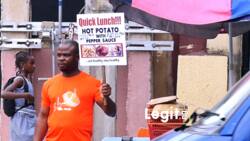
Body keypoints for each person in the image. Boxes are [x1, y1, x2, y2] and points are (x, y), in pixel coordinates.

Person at [34, 40, 116, 141]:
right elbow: (43, 116)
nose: (61, 59)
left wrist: (107, 97)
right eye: (59, 55)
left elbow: (111, 112)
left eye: (66, 55)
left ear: (77, 57)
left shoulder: (93, 83)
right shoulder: (49, 84)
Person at [1, 51, 36, 141]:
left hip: (29, 119)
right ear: (22, 65)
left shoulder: (27, 80)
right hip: (22, 121)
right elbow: (4, 94)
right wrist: (25, 95)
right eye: (31, 63)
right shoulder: (19, 79)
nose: (34, 66)